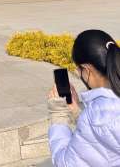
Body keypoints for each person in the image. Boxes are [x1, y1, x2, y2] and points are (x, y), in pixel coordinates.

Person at [47, 29, 120, 165]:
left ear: (87, 70)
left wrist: (58, 115)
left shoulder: (94, 118)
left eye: (78, 70)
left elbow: (66, 163)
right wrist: (78, 113)